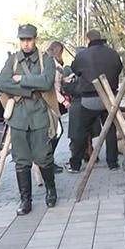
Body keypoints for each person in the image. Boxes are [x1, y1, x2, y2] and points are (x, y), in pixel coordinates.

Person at [0, 24, 59, 215]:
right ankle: (25, 200)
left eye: (29, 39)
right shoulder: (12, 61)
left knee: (43, 157)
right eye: (22, 40)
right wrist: (31, 87)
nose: (25, 43)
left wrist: (21, 80)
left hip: (39, 114)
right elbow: (2, 83)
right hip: (18, 116)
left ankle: (51, 190)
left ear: (35, 39)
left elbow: (47, 81)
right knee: (21, 160)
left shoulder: (46, 60)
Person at [67, 29, 123, 172]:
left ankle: (75, 164)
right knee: (110, 129)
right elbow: (119, 69)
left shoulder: (83, 55)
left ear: (88, 40)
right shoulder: (113, 53)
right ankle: (112, 162)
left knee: (82, 132)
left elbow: (75, 69)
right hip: (109, 98)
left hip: (89, 99)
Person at [46, 41, 70, 173]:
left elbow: (56, 82)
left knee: (55, 132)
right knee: (57, 131)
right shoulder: (53, 65)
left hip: (52, 101)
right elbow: (52, 87)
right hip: (52, 102)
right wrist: (63, 101)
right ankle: (48, 161)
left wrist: (64, 80)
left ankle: (48, 160)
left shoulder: (51, 63)